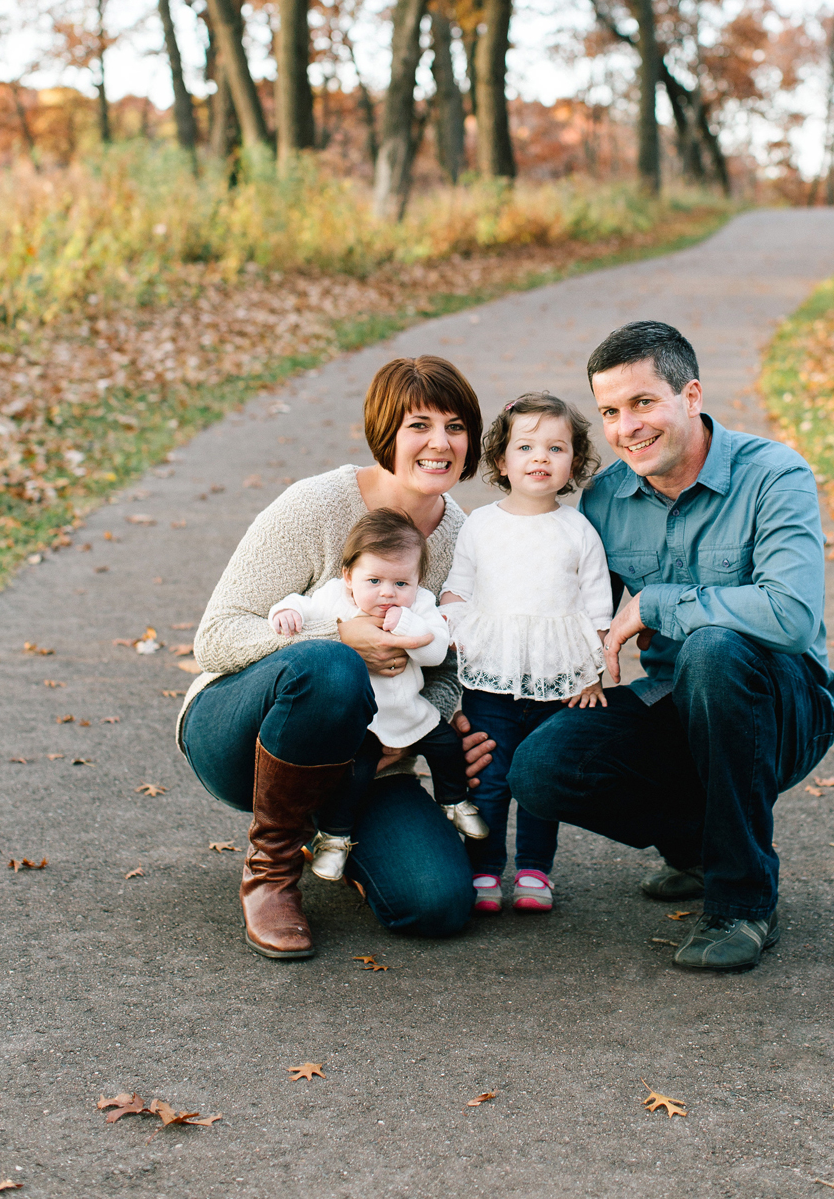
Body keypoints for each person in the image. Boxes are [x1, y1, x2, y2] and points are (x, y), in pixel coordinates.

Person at [508, 321, 834, 971]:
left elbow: (792, 617)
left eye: (643, 403)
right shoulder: (607, 498)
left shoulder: (773, 475)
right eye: (610, 411)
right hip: (676, 703)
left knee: (714, 649)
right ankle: (701, 846)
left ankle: (742, 902)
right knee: (541, 767)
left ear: (691, 395)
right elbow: (572, 618)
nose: (626, 427)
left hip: (783, 709)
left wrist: (659, 603)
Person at [177, 355, 495, 960]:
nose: (440, 443)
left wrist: (428, 723)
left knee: (435, 903)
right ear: (386, 434)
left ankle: (335, 834)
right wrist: (337, 632)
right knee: (332, 666)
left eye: (456, 426)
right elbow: (216, 635)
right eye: (418, 425)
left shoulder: (465, 539)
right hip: (241, 732)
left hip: (374, 759)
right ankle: (270, 873)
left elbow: (454, 665)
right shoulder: (316, 507)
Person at [441, 392, 612, 915]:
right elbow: (457, 589)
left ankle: (536, 872)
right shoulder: (481, 524)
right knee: (488, 780)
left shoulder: (577, 530)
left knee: (541, 782)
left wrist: (593, 674)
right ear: (502, 461)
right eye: (526, 447)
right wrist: (448, 633)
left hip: (558, 682)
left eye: (556, 448)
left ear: (573, 463)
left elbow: (597, 607)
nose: (541, 457)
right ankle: (484, 871)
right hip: (490, 678)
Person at [268, 507, 487, 881]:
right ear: (349, 577)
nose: (388, 593)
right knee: (357, 775)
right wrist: (286, 612)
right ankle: (334, 840)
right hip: (362, 723)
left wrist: (407, 624)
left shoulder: (419, 606)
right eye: (374, 581)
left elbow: (436, 652)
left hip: (410, 710)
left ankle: (454, 800)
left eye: (401, 583)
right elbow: (300, 605)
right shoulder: (335, 598)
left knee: (447, 745)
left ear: (417, 581)